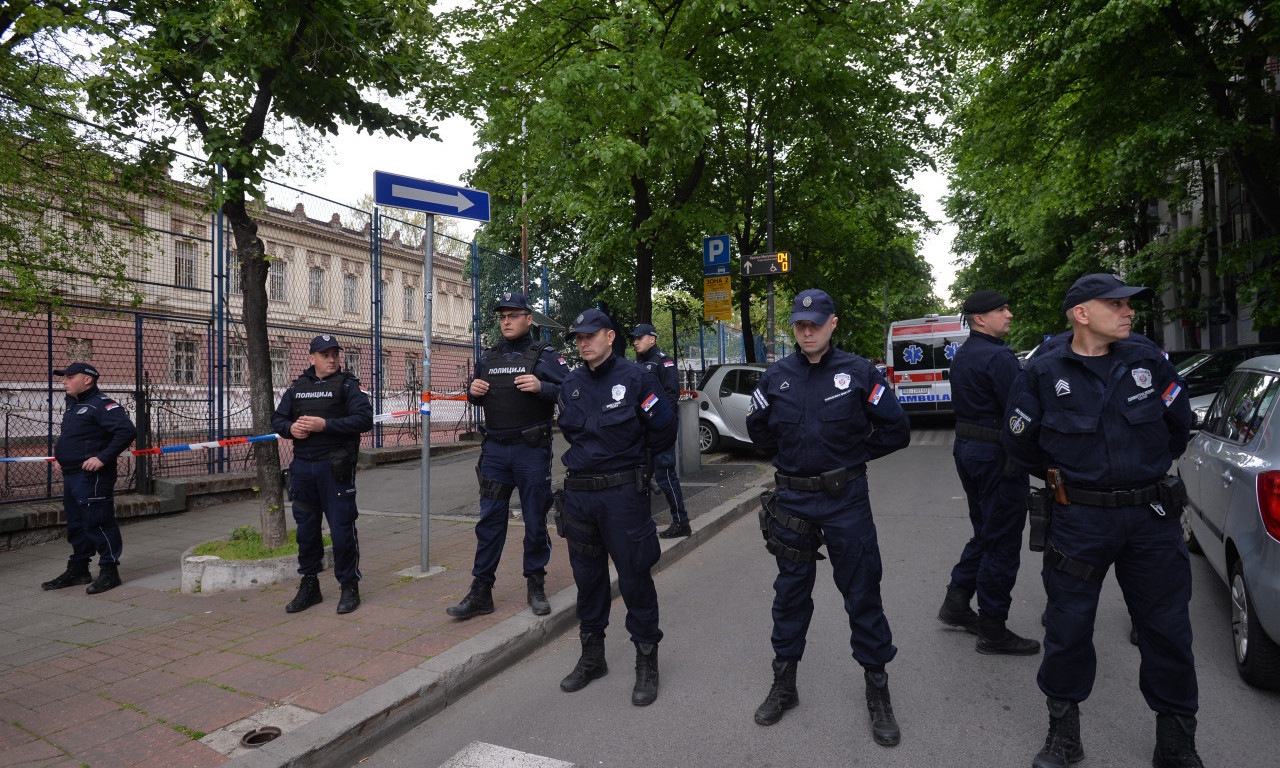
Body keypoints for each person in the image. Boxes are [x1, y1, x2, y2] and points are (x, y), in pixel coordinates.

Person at [1002, 274, 1201, 768]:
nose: (1128, 311)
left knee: (1167, 629)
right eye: (1115, 304)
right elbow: (1020, 444)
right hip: (1079, 519)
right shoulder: (1042, 372)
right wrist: (1080, 482)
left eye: (1129, 304)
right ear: (1081, 314)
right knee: (1068, 628)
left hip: (1152, 518)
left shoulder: (1149, 361)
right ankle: (1064, 735)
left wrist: (1139, 471)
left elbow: (1179, 428)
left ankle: (1175, 741)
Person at [745, 289, 911, 745]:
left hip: (846, 500)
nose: (808, 330)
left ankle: (877, 691)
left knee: (862, 593)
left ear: (833, 323)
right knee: (790, 596)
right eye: (800, 323)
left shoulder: (859, 373)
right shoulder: (775, 377)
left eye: (816, 322)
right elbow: (758, 430)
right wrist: (792, 461)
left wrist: (851, 459)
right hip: (794, 502)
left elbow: (896, 430)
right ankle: (784, 684)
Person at [555, 309, 677, 706]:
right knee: (588, 581)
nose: (583, 342)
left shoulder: (637, 378)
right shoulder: (570, 384)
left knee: (635, 578)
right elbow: (572, 434)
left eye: (590, 335)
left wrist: (635, 465)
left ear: (609, 337)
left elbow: (664, 430)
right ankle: (593, 657)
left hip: (623, 496)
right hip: (580, 497)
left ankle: (646, 661)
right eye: (578, 337)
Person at [448, 292, 568, 620]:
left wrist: (542, 387)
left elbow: (573, 390)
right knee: (490, 522)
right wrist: (471, 392)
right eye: (503, 316)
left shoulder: (544, 355)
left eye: (513, 315)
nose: (506, 321)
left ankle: (535, 584)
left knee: (533, 519)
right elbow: (479, 394)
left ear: (529, 319)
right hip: (495, 452)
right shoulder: (488, 357)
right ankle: (481, 591)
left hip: (531, 451)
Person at [938, 289, 1039, 655]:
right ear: (980, 318)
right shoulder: (999, 358)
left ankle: (957, 603)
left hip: (969, 450)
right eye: (1002, 309)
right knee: (1002, 542)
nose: (1009, 314)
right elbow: (1021, 413)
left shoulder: (963, 355)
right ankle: (993, 630)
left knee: (985, 533)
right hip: (998, 455)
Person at [272, 334, 374, 615]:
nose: (331, 359)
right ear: (312, 358)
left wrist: (324, 425)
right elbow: (278, 419)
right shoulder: (298, 387)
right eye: (325, 355)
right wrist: (291, 428)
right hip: (303, 468)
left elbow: (364, 419)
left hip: (334, 468)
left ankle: (349, 586)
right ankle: (310, 585)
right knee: (306, 532)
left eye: (335, 355)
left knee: (341, 530)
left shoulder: (348, 385)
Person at [41, 362, 137, 594]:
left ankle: (109, 570)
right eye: (64, 377)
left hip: (93, 477)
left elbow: (126, 431)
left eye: (69, 377)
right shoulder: (74, 405)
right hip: (72, 475)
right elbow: (75, 437)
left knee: (98, 522)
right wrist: (59, 458)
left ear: (87, 380)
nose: (64, 381)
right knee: (76, 524)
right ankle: (79, 570)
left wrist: (102, 458)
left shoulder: (101, 404)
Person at [630, 323, 690, 538]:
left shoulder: (663, 361)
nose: (635, 341)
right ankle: (644, 521)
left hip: (660, 430)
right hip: (643, 432)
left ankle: (681, 521)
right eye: (634, 338)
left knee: (665, 476)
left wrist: (660, 425)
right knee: (642, 477)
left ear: (652, 339)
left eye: (640, 338)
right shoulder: (639, 363)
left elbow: (671, 397)